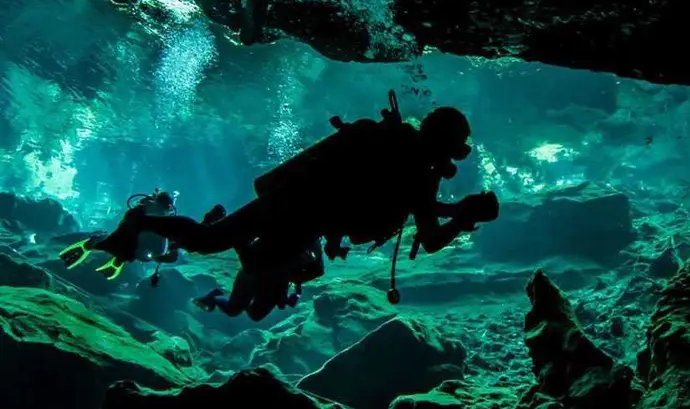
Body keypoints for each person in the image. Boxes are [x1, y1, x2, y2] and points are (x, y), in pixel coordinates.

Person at [85, 90, 499, 303]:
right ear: (448, 145)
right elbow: (428, 239)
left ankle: (148, 222)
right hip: (305, 215)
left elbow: (402, 208)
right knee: (232, 250)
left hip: (297, 202)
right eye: (452, 148)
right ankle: (145, 221)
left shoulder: (398, 152)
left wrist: (454, 211)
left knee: (234, 250)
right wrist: (461, 220)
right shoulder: (418, 176)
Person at [192, 205, 325, 321]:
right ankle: (215, 297)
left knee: (253, 314)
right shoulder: (283, 227)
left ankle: (219, 298)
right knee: (235, 309)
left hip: (271, 278)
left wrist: (292, 290)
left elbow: (317, 270)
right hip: (255, 272)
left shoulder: (312, 243)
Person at [59, 188, 182, 282]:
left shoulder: (145, 207)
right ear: (169, 207)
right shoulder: (167, 221)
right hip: (137, 250)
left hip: (125, 242)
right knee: (125, 252)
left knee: (107, 242)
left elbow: (126, 222)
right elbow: (168, 254)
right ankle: (117, 259)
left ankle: (94, 245)